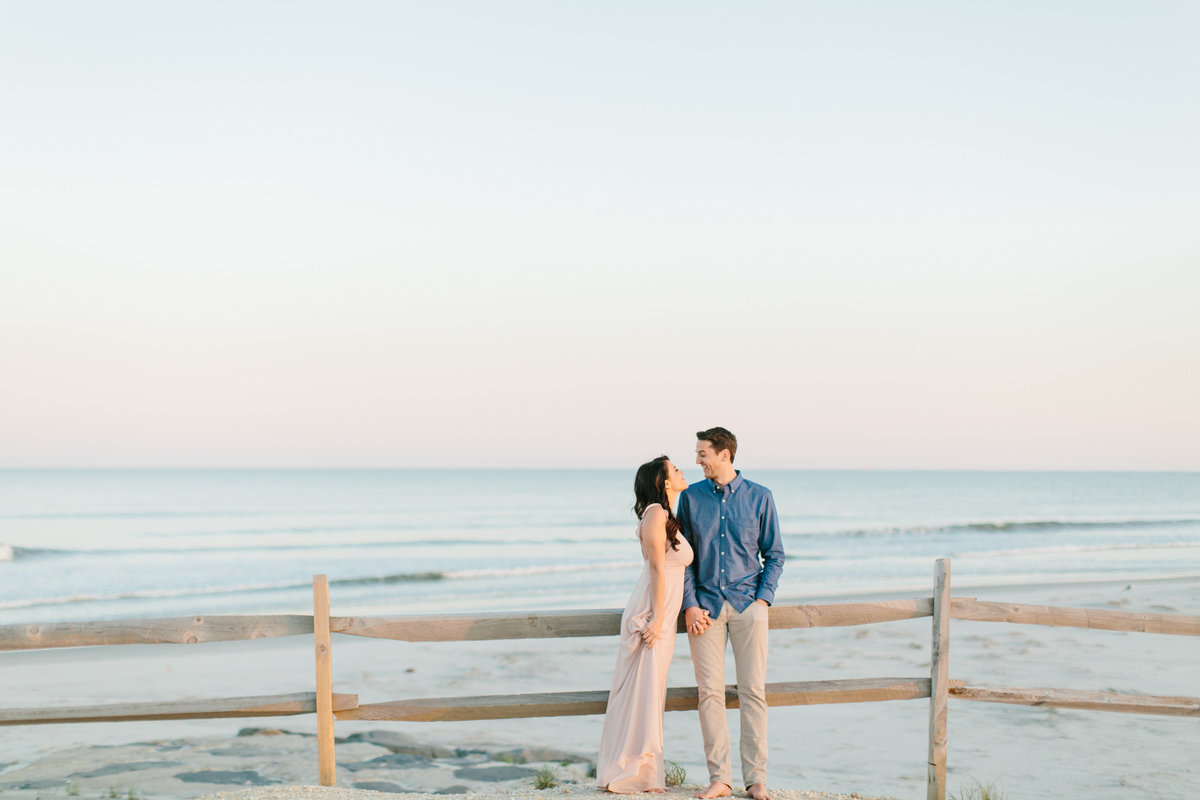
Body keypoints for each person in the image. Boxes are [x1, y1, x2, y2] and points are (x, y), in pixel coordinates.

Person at [679, 427, 784, 800]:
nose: (697, 460)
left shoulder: (760, 497)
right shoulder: (690, 498)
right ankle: (719, 779)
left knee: (753, 692)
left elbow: (774, 555)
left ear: (724, 454)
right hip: (704, 609)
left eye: (702, 453)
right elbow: (683, 559)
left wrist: (763, 601)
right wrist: (689, 603)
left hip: (748, 606)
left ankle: (756, 780)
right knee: (709, 694)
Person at [597, 456, 693, 793]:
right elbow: (655, 567)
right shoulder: (655, 513)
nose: (681, 471)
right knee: (643, 691)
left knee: (649, 691)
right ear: (662, 481)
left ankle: (646, 774)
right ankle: (632, 773)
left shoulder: (664, 515)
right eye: (675, 469)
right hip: (652, 612)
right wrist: (658, 618)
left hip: (660, 610)